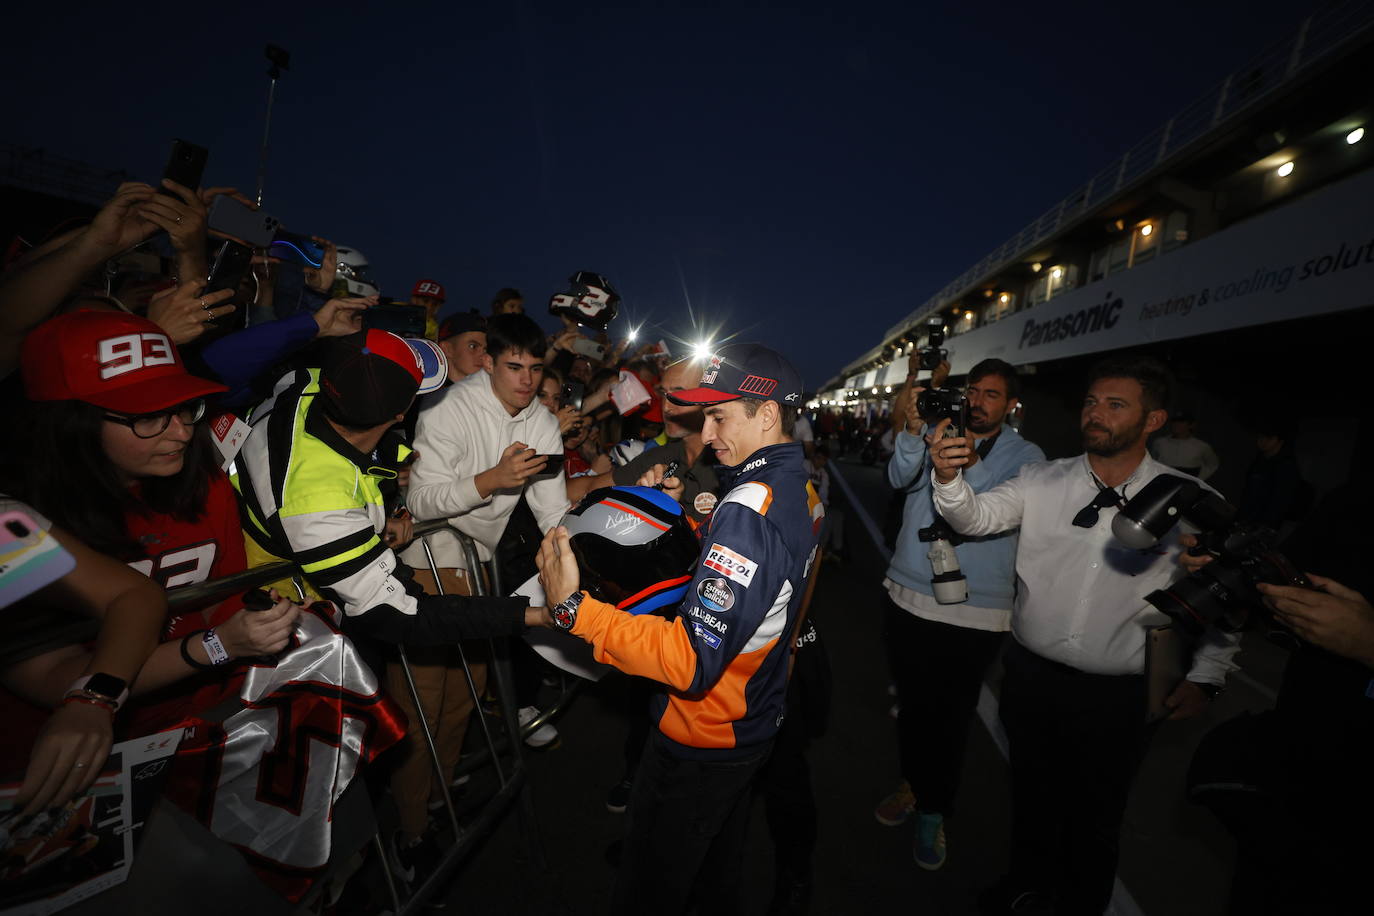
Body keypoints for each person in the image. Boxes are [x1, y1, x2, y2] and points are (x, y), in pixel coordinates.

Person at [928, 354, 1239, 916]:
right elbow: (973, 517)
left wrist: (1207, 676)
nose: (1096, 414)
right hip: (1031, 678)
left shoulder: (1188, 497)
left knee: (1096, 820)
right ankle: (1023, 890)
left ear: (1153, 420)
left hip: (1121, 697)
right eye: (1092, 402)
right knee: (1030, 799)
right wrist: (950, 478)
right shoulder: (1044, 478)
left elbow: (1223, 592)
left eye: (1115, 404)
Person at [536, 342, 823, 916]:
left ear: (767, 415)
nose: (706, 430)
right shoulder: (801, 484)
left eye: (719, 415)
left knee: (650, 892)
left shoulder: (750, 506)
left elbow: (690, 662)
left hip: (703, 734)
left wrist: (574, 610)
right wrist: (693, 523)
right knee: (714, 878)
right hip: (748, 721)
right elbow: (773, 591)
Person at [873, 358, 1046, 869]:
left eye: (993, 394)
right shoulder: (935, 429)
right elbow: (899, 478)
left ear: (1011, 404)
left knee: (949, 716)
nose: (978, 401)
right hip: (908, 592)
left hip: (976, 611)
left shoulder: (1027, 455)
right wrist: (912, 431)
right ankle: (913, 783)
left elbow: (992, 510)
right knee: (912, 705)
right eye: (974, 390)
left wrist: (963, 465)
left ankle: (933, 810)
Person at [1150, 412, 1219, 480]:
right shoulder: (1160, 442)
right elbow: (1153, 460)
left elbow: (1212, 464)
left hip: (1187, 482)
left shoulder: (1201, 446)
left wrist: (1199, 479)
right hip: (1163, 479)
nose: (1176, 425)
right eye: (1174, 422)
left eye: (1181, 422)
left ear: (1191, 425)